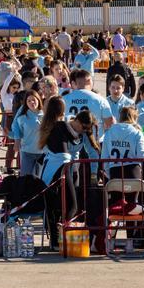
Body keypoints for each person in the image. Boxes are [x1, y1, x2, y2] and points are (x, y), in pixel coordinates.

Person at [38, 99, 99, 249]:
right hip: (55, 169)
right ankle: (56, 239)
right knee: (56, 205)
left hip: (72, 172)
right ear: (76, 120)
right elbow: (60, 152)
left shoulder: (83, 134)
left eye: (87, 129)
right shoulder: (62, 126)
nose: (83, 131)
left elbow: (93, 153)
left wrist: (93, 174)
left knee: (72, 206)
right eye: (82, 127)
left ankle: (63, 235)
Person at [100, 106, 144, 206]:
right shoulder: (137, 133)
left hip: (115, 172)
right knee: (132, 206)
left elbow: (104, 157)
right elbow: (142, 156)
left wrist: (109, 173)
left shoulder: (109, 133)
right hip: (132, 171)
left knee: (116, 206)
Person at [10, 89, 43, 176]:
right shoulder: (22, 117)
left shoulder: (45, 115)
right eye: (29, 101)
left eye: (34, 100)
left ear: (38, 100)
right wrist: (15, 139)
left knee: (41, 180)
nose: (32, 102)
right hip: (27, 152)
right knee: (25, 178)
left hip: (43, 153)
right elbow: (16, 128)